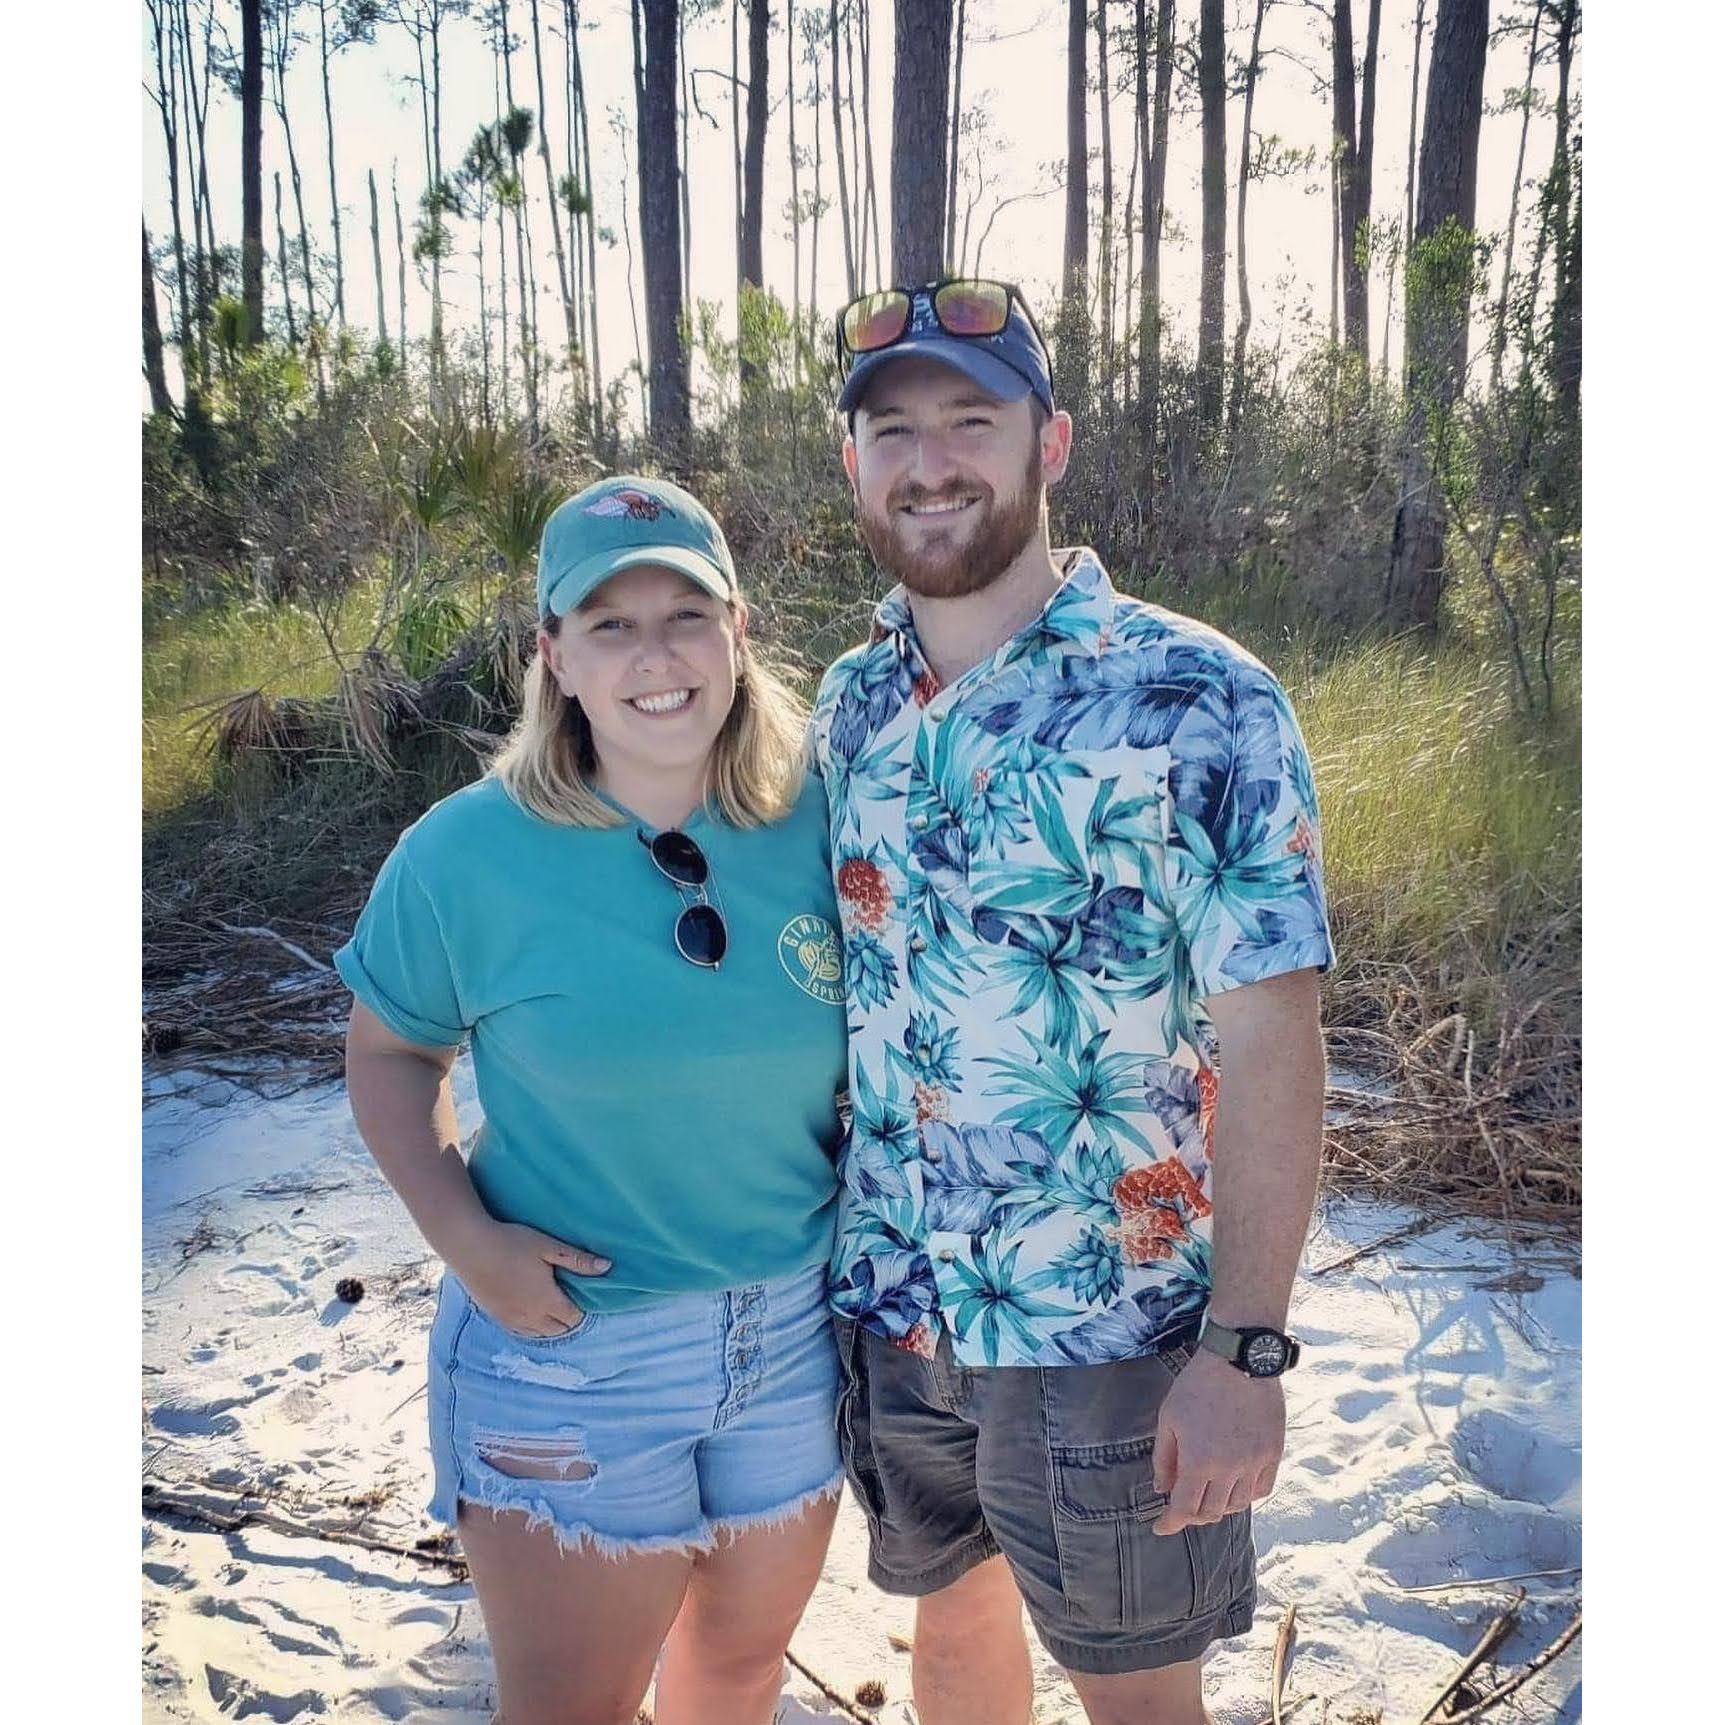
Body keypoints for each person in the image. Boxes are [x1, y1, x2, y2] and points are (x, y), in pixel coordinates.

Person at [810, 279, 1334, 1725]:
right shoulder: (851, 705)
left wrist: (1244, 1351)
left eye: (970, 421)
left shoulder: (1199, 697)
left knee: (1139, 1699)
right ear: (853, 464)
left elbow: (1275, 1036)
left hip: (1111, 1329)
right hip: (898, 1305)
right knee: (951, 1633)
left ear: (1049, 444)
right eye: (892, 430)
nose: (930, 462)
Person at [334, 475, 850, 1725]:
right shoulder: (467, 852)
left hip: (793, 1334)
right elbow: (390, 1057)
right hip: (573, 1351)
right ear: (554, 656)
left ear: (738, 633)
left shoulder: (823, 821)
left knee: (738, 1674)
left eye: (686, 615)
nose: (654, 656)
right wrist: (466, 1241)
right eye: (611, 624)